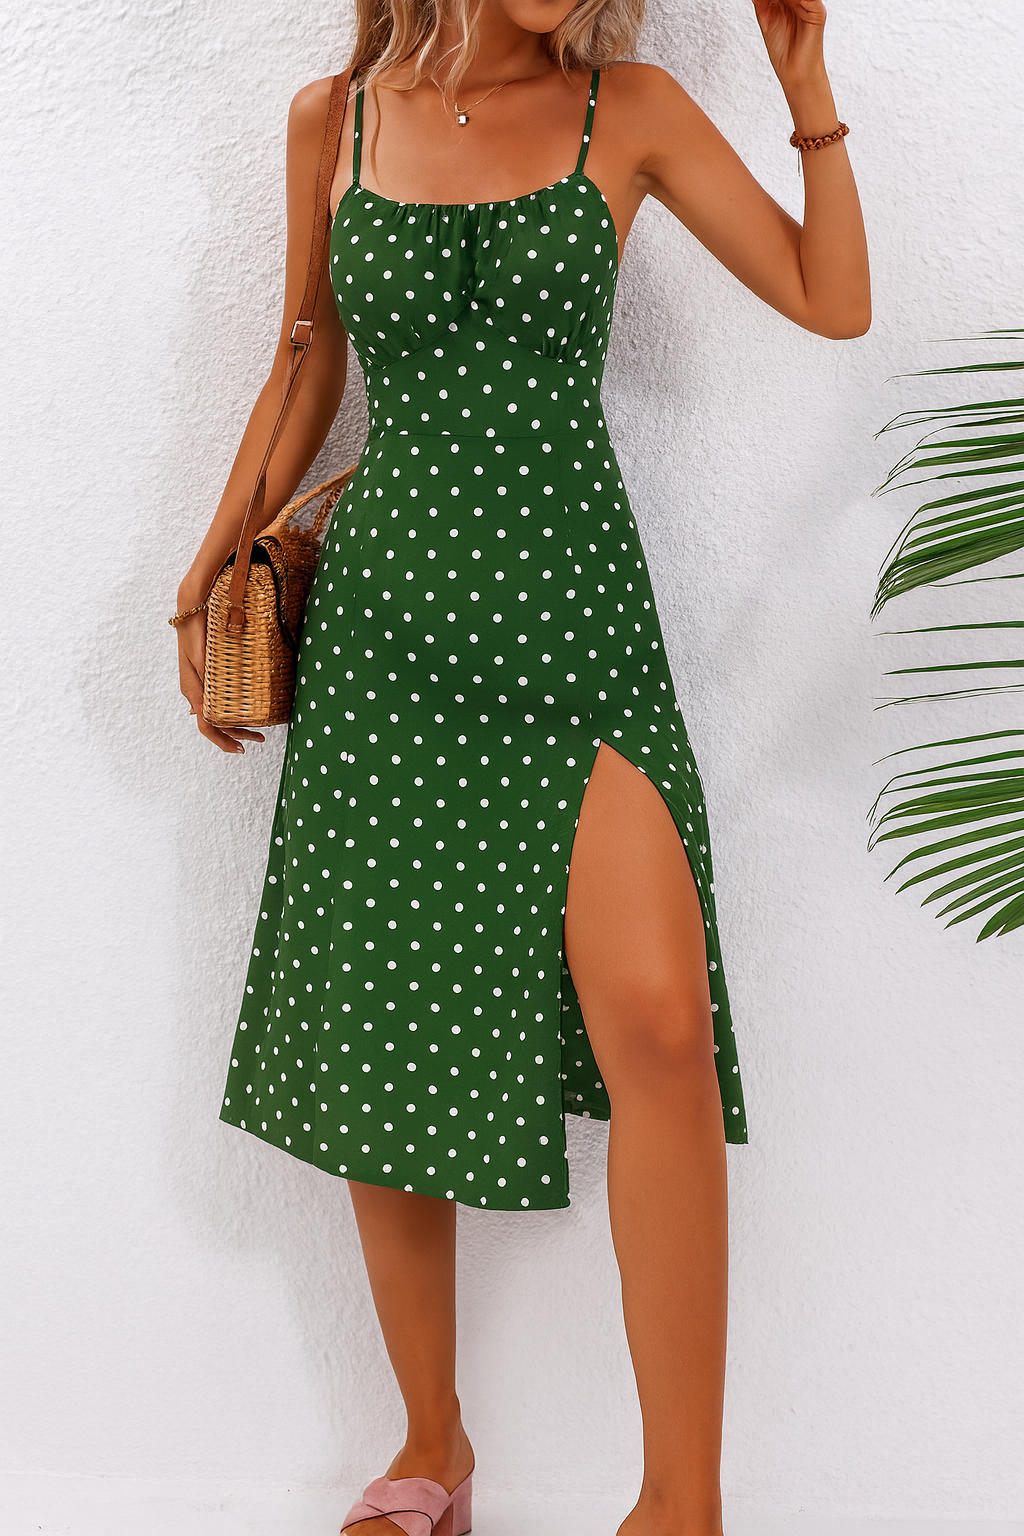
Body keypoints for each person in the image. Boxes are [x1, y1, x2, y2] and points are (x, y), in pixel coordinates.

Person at [173, 0, 868, 1531]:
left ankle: (680, 1503)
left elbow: (834, 301)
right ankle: (434, 1449)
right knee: (386, 1034)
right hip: (388, 645)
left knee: (660, 1028)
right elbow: (303, 368)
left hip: (574, 633)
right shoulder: (335, 119)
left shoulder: (635, 109)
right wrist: (213, 566)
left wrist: (807, 90)